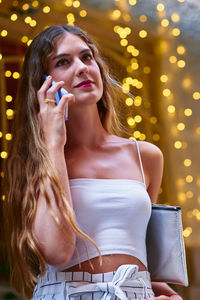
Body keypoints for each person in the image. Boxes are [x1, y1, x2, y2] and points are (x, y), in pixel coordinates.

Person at [4, 25, 183, 300]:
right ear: (43, 85)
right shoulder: (36, 164)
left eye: (87, 57)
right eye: (63, 62)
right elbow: (58, 251)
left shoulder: (146, 156)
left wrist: (166, 294)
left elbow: (140, 248)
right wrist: (53, 144)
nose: (82, 68)